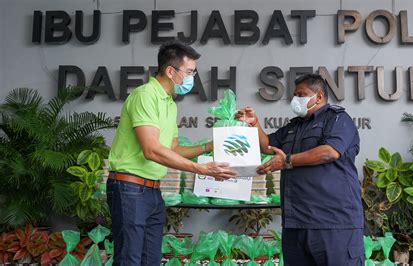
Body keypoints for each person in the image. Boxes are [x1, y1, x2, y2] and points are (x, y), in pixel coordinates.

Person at [107, 40, 236, 265]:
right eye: (189, 72)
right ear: (170, 70)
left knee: (151, 259)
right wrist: (199, 168)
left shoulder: (169, 103)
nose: (192, 78)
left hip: (152, 191)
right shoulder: (145, 95)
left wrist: (208, 147)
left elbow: (172, 149)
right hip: (130, 188)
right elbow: (151, 149)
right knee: (130, 259)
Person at [236, 74, 364, 265]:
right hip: (296, 224)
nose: (296, 99)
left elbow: (329, 152)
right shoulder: (294, 126)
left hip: (333, 224)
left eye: (301, 94)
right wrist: (254, 124)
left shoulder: (338, 120)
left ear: (319, 96)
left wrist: (287, 160)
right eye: (294, 95)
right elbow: (267, 146)